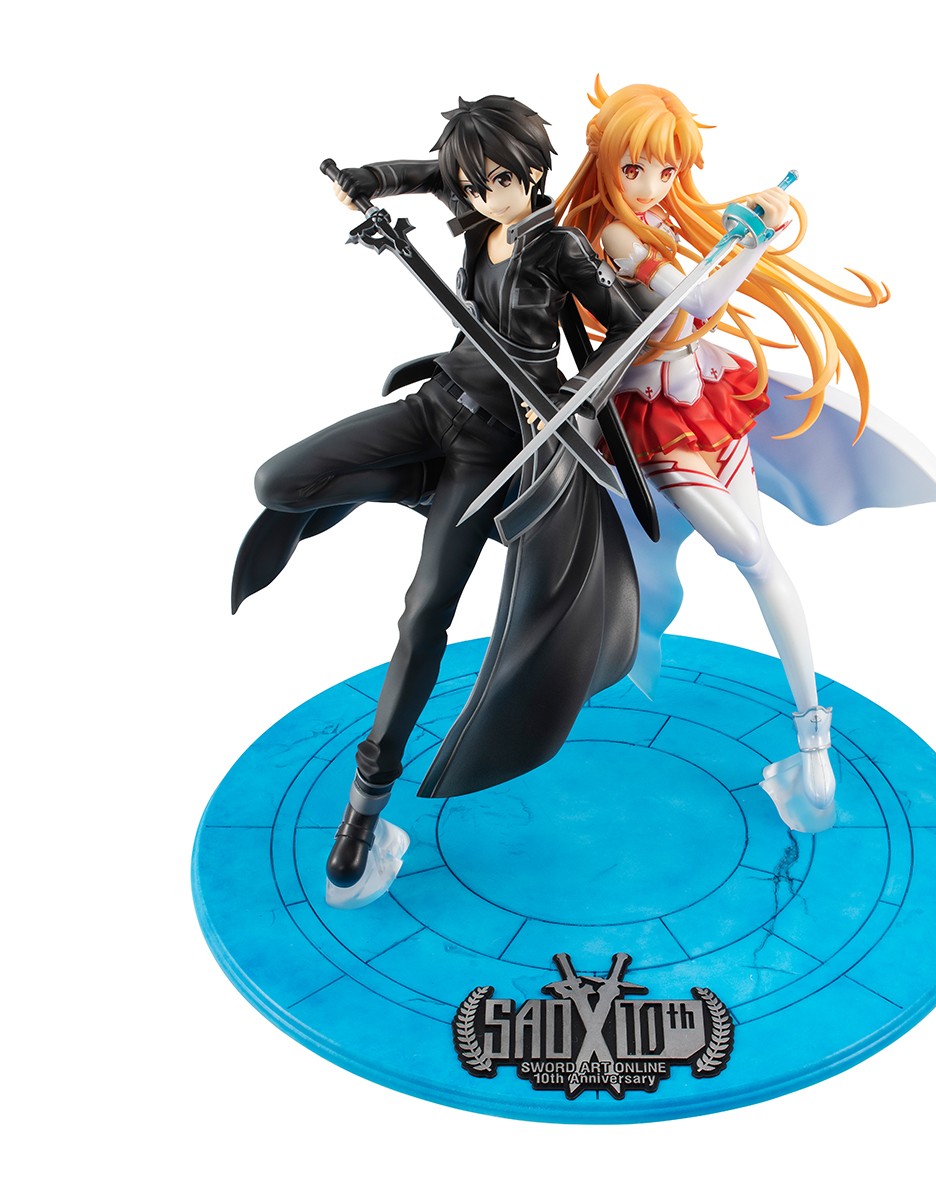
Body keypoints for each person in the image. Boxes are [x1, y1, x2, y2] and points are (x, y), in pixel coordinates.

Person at [233, 95, 647, 898]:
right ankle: (413, 485)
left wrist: (571, 396)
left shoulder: (559, 245)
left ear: (535, 170)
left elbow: (630, 327)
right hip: (432, 407)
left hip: (490, 446)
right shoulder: (475, 220)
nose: (488, 196)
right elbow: (434, 175)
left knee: (422, 616)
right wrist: (369, 179)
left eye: (503, 180)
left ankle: (365, 806)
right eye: (475, 184)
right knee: (278, 482)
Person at [557, 81, 899, 833]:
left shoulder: (654, 223)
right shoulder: (613, 236)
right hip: (653, 424)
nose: (652, 186)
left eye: (668, 171)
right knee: (750, 552)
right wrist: (752, 241)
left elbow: (700, 306)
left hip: (706, 401)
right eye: (635, 169)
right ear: (606, 162)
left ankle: (813, 737)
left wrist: (750, 239)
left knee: (764, 563)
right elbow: (696, 305)